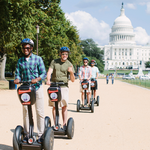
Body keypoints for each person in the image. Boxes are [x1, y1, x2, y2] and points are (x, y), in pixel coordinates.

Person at [14, 38, 47, 143]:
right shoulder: (20, 61)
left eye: (27, 47)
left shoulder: (38, 59)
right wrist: (17, 78)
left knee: (39, 111)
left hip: (37, 88)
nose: (25, 49)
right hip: (26, 89)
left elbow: (43, 73)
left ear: (31, 48)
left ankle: (41, 135)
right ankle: (27, 135)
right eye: (24, 47)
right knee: (26, 113)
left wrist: (37, 79)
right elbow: (18, 73)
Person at [46, 46, 75, 130]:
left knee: (64, 106)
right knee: (55, 106)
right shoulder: (54, 62)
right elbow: (49, 71)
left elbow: (72, 80)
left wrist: (71, 72)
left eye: (66, 54)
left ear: (68, 54)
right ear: (60, 54)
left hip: (64, 86)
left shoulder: (69, 64)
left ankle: (65, 124)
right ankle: (56, 124)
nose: (64, 55)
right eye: (63, 54)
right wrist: (48, 80)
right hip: (54, 85)